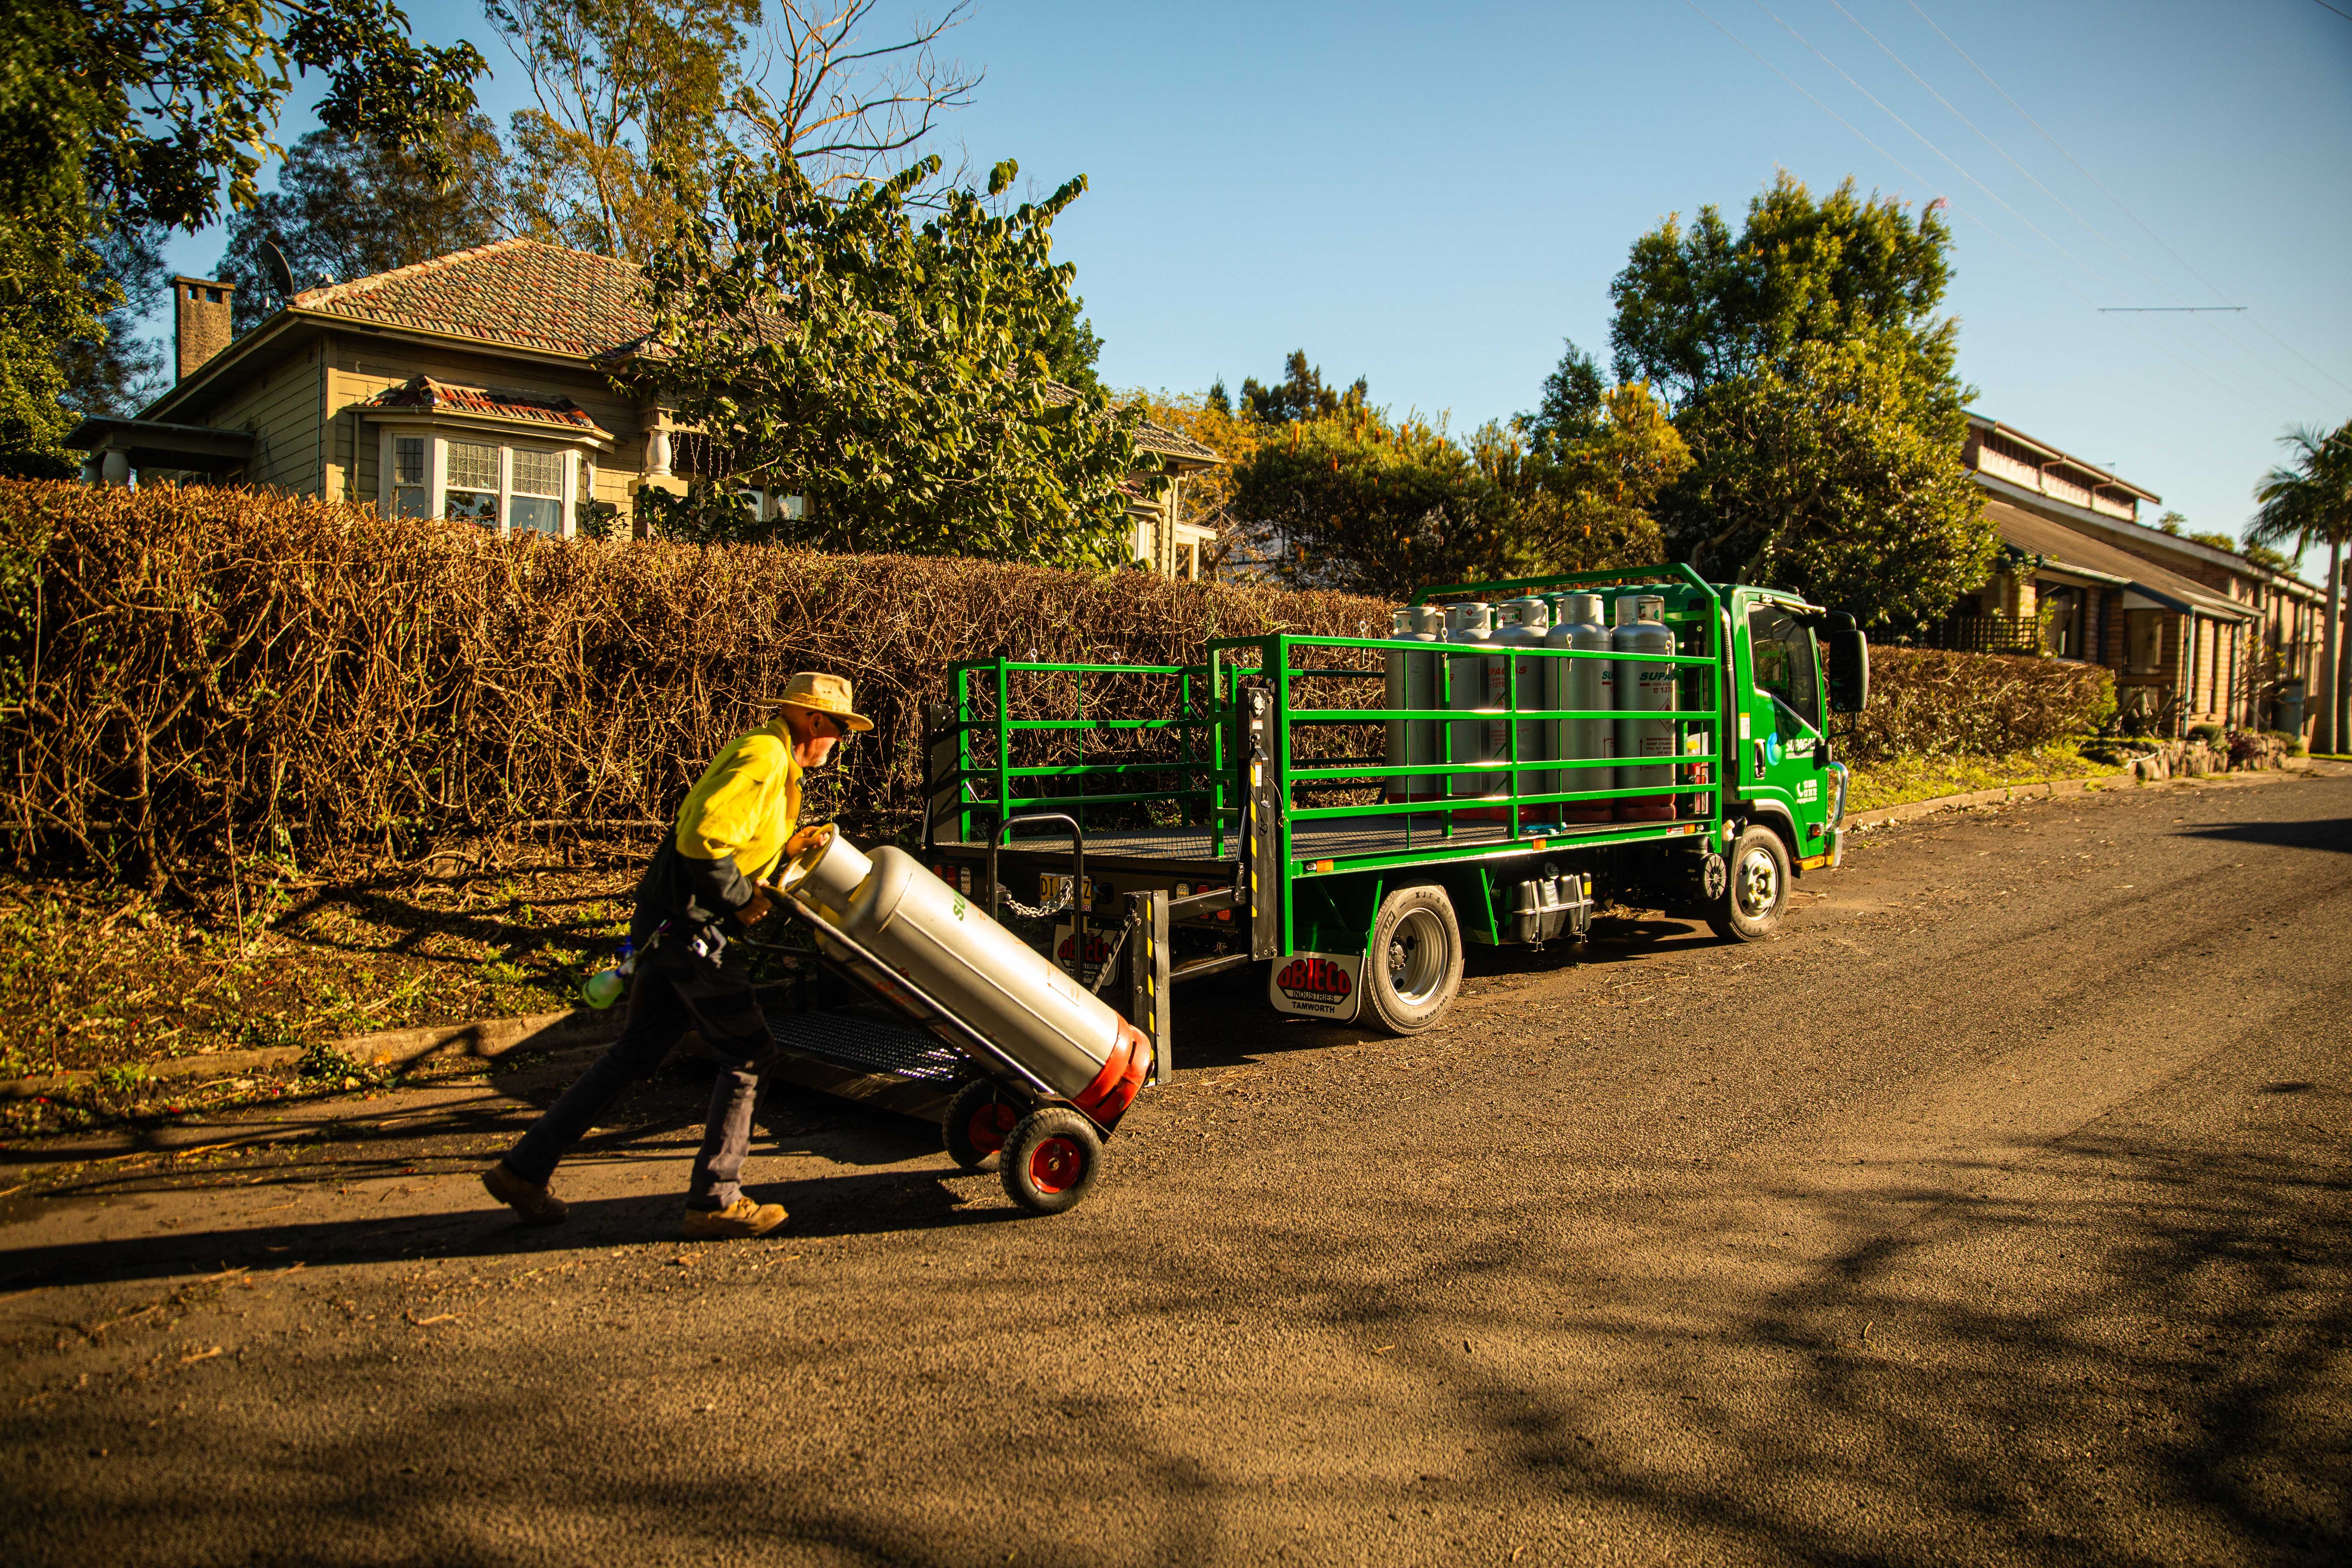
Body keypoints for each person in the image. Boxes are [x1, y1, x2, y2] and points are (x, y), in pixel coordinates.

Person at [481, 671, 872, 1239]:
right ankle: (715, 1200)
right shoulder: (764, 758)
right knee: (749, 1053)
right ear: (813, 721)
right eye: (839, 730)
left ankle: (523, 1170)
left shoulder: (772, 760)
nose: (840, 743)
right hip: (692, 930)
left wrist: (787, 849)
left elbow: (729, 839)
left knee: (634, 1055)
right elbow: (702, 843)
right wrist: (740, 901)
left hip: (665, 926)